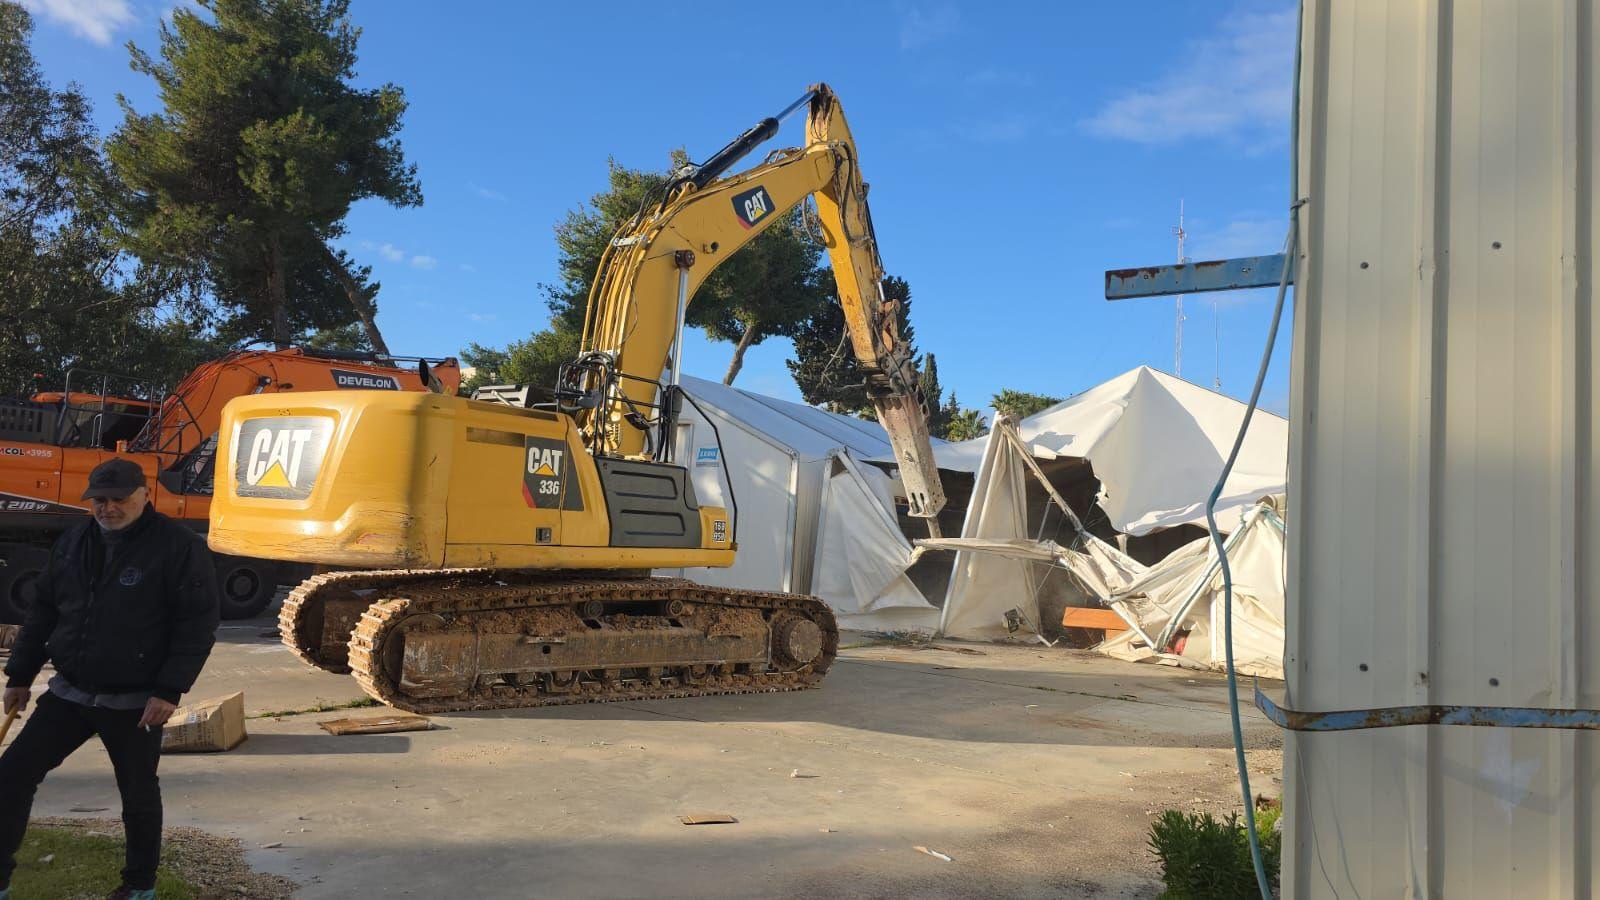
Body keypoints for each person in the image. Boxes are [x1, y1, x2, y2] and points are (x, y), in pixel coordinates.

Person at [0, 459, 219, 900]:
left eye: (118, 499)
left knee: (137, 794)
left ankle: (139, 887)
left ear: (144, 495)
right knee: (11, 777)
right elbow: (44, 610)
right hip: (71, 692)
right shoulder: (75, 540)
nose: (108, 508)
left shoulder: (177, 546)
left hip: (138, 702)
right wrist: (20, 675)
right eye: (99, 500)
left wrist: (168, 690)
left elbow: (196, 622)